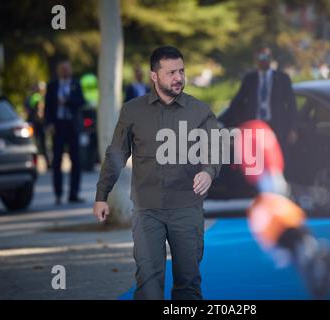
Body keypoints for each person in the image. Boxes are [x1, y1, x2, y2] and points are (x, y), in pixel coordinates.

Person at [93, 46, 221, 300]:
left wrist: (208, 171)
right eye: (171, 72)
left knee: (188, 285)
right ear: (154, 76)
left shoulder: (200, 111)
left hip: (186, 209)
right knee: (148, 285)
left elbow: (215, 150)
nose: (179, 78)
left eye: (181, 71)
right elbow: (116, 155)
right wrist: (101, 195)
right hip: (146, 210)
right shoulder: (132, 111)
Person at [219, 46, 298, 155]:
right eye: (260, 56)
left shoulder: (282, 78)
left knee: (275, 158)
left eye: (266, 56)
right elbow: (237, 103)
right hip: (255, 127)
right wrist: (223, 121)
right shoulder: (250, 79)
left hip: (277, 126)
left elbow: (292, 105)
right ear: (255, 59)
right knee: (255, 159)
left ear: (271, 58)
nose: (263, 59)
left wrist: (293, 129)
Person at [44, 59, 86, 205]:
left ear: (70, 70)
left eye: (67, 69)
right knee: (57, 161)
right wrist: (48, 124)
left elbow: (81, 102)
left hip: (72, 126)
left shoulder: (76, 84)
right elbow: (47, 107)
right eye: (62, 69)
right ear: (58, 71)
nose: (65, 71)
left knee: (76, 160)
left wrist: (67, 101)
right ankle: (58, 194)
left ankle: (73, 194)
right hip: (58, 126)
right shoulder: (52, 85)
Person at [24, 82, 50, 168]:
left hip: (35, 124)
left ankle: (38, 164)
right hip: (36, 124)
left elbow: (27, 110)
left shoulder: (30, 98)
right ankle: (43, 164)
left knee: (38, 144)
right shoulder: (37, 98)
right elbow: (38, 111)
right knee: (38, 144)